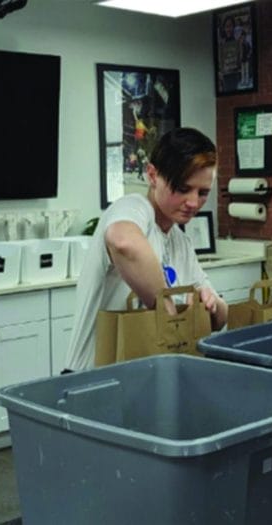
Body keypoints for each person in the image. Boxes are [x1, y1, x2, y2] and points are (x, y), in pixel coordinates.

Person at [64, 127, 228, 371]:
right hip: (91, 381)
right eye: (183, 189)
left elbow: (221, 318)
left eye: (203, 193)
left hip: (144, 383)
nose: (194, 203)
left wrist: (211, 305)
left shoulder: (180, 243)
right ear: (153, 175)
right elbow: (124, 242)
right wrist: (167, 309)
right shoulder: (132, 208)